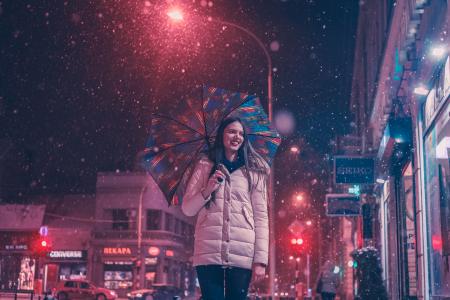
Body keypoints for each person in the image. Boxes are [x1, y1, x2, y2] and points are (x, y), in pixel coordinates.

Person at [181, 117, 270, 300]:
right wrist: (207, 189)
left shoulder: (254, 171)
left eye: (240, 133)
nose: (236, 136)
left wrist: (260, 260)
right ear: (222, 134)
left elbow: (261, 217)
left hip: (242, 253)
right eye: (231, 131)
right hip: (208, 252)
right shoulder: (205, 165)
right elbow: (188, 209)